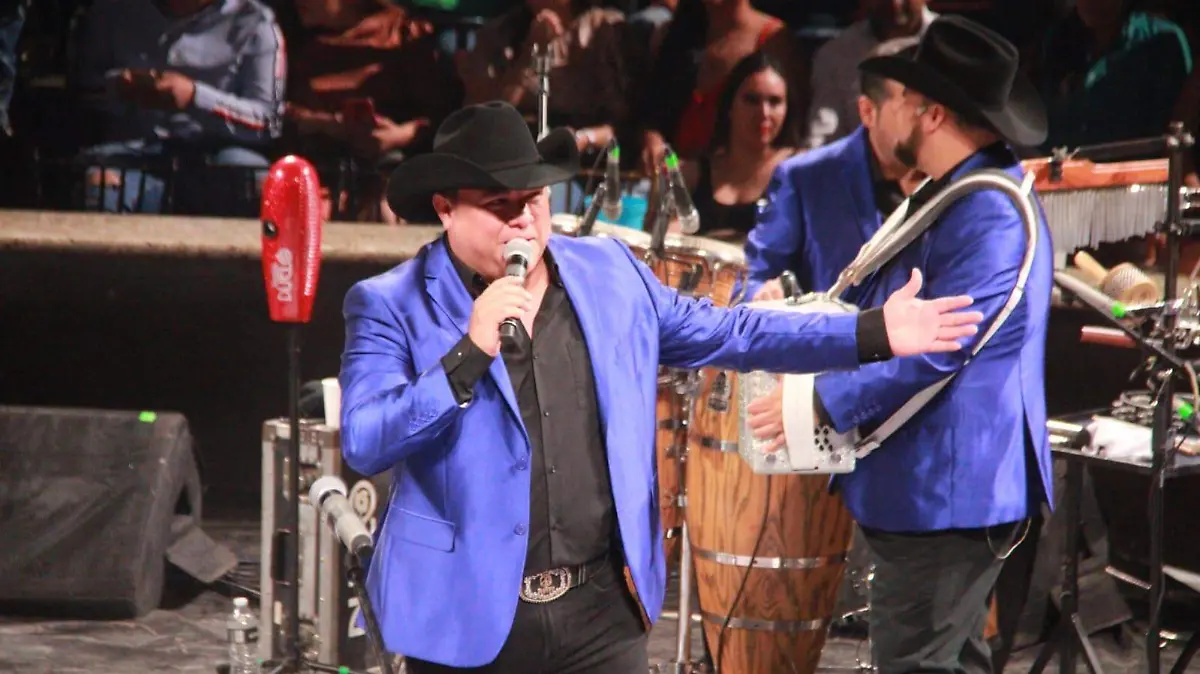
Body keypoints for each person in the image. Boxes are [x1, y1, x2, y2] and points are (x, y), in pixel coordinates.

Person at [338, 100, 985, 673]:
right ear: (446, 209)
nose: (523, 222)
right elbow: (367, 441)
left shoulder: (607, 272)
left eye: (533, 201)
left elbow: (735, 331)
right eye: (498, 206)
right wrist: (467, 354)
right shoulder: (390, 303)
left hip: (600, 613)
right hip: (468, 619)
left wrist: (873, 332)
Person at [747, 16, 1054, 674]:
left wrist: (818, 402)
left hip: (947, 493)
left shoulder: (991, 213)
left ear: (931, 114)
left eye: (901, 101)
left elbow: (940, 347)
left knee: (917, 662)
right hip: (936, 489)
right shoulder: (957, 193)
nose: (884, 118)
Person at [743, 36, 923, 302]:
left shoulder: (955, 176)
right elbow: (752, 276)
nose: (924, 121)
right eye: (909, 109)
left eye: (928, 107)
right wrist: (763, 295)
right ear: (867, 111)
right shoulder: (805, 178)